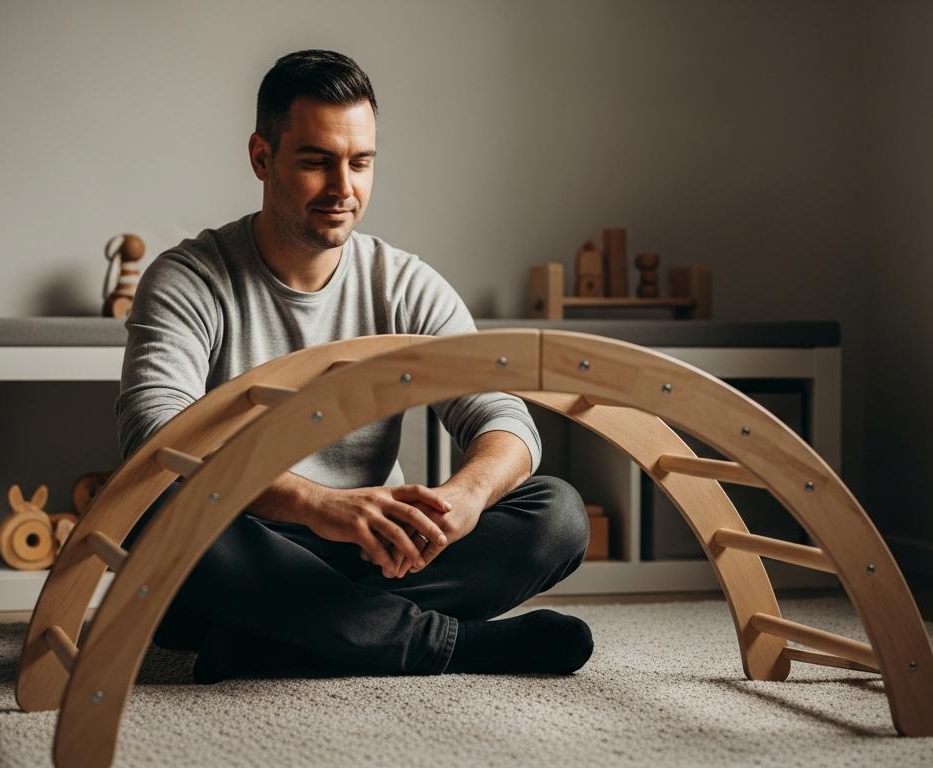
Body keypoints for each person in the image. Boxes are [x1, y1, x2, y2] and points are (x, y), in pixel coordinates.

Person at [115, 49, 594, 683]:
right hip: (243, 552)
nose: (344, 189)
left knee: (556, 512)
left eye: (360, 163)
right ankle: (451, 646)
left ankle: (297, 639)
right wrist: (318, 506)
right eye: (316, 162)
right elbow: (158, 437)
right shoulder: (188, 278)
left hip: (374, 553)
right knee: (157, 509)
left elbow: (502, 413)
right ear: (262, 157)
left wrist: (465, 498)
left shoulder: (405, 283)